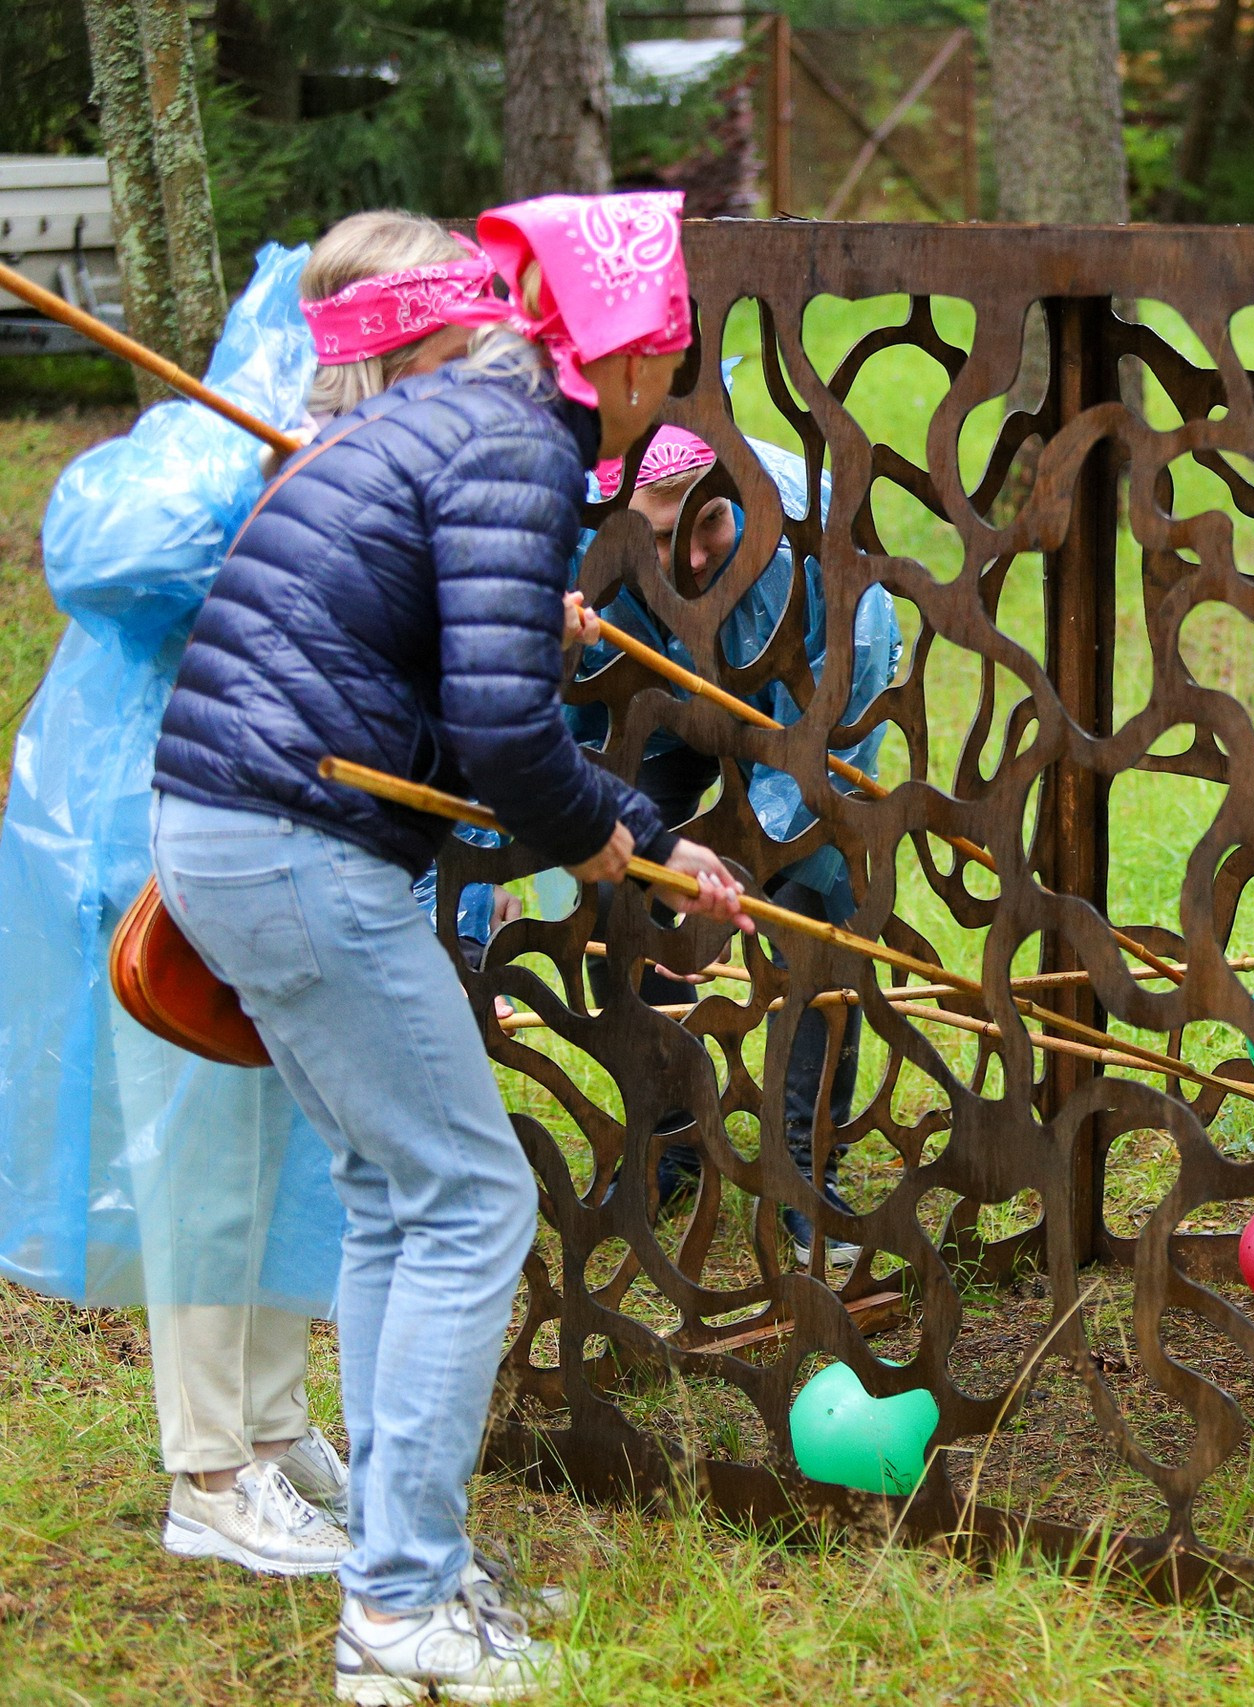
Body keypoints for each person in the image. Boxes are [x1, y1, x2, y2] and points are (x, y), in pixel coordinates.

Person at [150, 190, 751, 1704]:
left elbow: (456, 674)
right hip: (292, 839)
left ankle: (405, 1565)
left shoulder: (455, 411)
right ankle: (402, 1612)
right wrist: (599, 832)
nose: (659, 387)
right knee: (473, 1200)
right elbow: (497, 729)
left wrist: (652, 836)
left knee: (393, 1197)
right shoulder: (517, 439)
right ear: (628, 348)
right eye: (663, 357)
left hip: (235, 824)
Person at [0, 211, 531, 1585]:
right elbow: (109, 554)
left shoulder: (382, 437)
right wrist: (258, 477)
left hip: (300, 811)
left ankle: (279, 1426)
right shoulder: (216, 434)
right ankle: (208, 1467)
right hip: (159, 821)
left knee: (301, 1152)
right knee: (207, 1164)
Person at [573, 421, 903, 1265]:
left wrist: (734, 882)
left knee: (811, 918)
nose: (684, 561)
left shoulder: (824, 553)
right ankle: (672, 1133)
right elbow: (569, 720)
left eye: (707, 525)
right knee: (624, 892)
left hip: (801, 721)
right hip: (660, 698)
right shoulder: (587, 526)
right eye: (652, 538)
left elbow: (820, 753)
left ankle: (803, 1160)